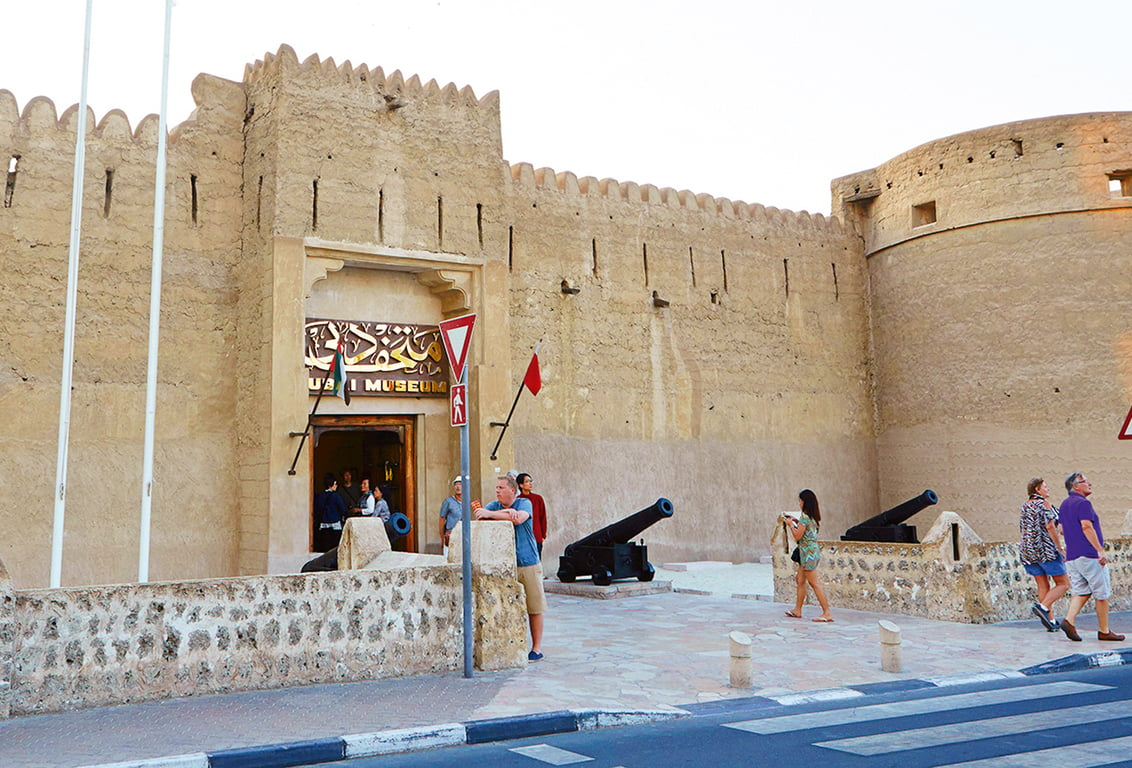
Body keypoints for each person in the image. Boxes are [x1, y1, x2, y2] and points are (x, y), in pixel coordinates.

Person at [475, 475, 546, 661]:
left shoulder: (524, 503)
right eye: (496, 487)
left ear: (512, 491)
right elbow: (480, 515)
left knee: (534, 606)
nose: (497, 490)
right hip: (505, 565)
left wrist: (494, 515)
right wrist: (501, 514)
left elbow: (519, 518)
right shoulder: (494, 506)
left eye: (501, 487)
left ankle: (537, 648)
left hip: (528, 561)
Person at [1058, 473, 1124, 642]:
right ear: (1076, 486)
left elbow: (1062, 530)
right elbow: (1087, 527)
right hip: (1088, 554)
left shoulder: (1064, 504)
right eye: (1085, 482)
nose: (1089, 484)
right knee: (1101, 593)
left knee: (1081, 591)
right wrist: (1099, 550)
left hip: (1073, 556)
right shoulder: (1083, 503)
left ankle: (1069, 620)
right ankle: (1104, 630)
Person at [1019, 477, 1068, 631]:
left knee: (1043, 584)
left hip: (1028, 551)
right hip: (1045, 550)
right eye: (1045, 487)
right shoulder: (1045, 504)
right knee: (1063, 584)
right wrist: (1059, 547)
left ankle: (1051, 620)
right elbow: (1050, 525)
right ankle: (1043, 606)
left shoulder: (1025, 506)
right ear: (1037, 490)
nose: (1048, 489)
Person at [781, 489, 833, 623]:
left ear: (804, 502)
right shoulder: (813, 518)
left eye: (800, 500)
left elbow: (798, 536)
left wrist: (790, 525)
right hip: (811, 551)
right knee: (800, 580)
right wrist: (796, 522)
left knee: (814, 583)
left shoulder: (804, 517)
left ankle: (826, 612)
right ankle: (797, 609)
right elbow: (807, 532)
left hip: (807, 553)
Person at [313, 472, 347, 552]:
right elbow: (343, 509)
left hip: (323, 525)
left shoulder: (319, 496)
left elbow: (316, 510)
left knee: (325, 547)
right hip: (335, 525)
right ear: (331, 485)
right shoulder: (336, 496)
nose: (336, 486)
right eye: (335, 484)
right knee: (335, 548)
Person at [516, 472, 548, 559]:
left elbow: (543, 517)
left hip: (537, 536)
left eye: (531, 481)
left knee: (537, 561)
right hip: (523, 538)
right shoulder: (517, 501)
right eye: (527, 481)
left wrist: (543, 535)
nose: (530, 483)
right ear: (521, 485)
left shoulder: (538, 499)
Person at [439, 476, 463, 555]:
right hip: (450, 535)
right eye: (456, 484)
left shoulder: (466, 502)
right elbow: (442, 519)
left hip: (462, 535)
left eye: (460, 484)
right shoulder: (448, 502)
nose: (458, 487)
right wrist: (442, 538)